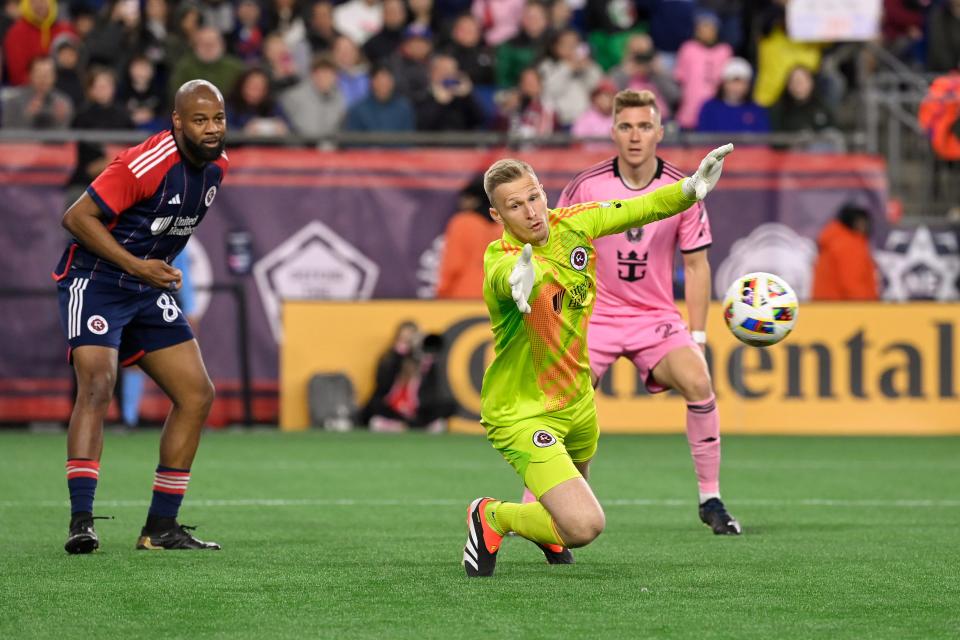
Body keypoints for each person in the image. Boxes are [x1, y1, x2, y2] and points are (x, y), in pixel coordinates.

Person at [463, 141, 734, 577]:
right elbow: (499, 279)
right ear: (497, 216)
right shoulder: (503, 260)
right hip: (523, 412)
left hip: (577, 402)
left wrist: (688, 190)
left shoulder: (574, 223)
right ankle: (492, 515)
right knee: (584, 525)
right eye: (515, 206)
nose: (531, 211)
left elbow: (637, 209)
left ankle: (547, 533)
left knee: (564, 515)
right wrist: (515, 280)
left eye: (534, 196)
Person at [538, 89, 742, 549]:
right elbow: (554, 246)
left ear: (660, 132)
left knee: (699, 381)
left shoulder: (684, 186)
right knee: (560, 406)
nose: (635, 136)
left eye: (644, 126)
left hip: (655, 317)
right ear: (612, 131)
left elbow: (695, 264)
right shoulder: (587, 185)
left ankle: (711, 499)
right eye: (626, 126)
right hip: (597, 316)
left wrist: (696, 334)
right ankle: (538, 505)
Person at [53, 79, 228, 554]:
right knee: (97, 385)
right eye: (199, 120)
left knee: (197, 394)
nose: (211, 129)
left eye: (217, 119)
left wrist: (148, 273)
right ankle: (81, 522)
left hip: (145, 288)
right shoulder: (147, 161)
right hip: (97, 281)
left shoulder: (217, 167)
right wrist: (136, 266)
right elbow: (76, 217)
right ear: (176, 122)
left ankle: (161, 528)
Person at [361, 321, 456, 432]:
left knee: (449, 405)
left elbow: (433, 391)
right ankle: (413, 426)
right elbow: (382, 384)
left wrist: (427, 361)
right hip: (394, 408)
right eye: (404, 338)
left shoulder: (424, 361)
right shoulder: (390, 358)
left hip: (416, 409)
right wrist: (398, 354)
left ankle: (409, 425)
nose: (408, 342)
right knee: (373, 407)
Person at [435, 177, 500, 298]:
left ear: (475, 200)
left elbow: (453, 264)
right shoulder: (506, 226)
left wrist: (442, 291)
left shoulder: (462, 222)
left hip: (465, 295)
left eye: (465, 198)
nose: (461, 203)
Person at [811, 205, 879, 301]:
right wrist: (866, 309)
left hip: (829, 307)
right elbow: (852, 283)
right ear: (856, 222)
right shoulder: (849, 245)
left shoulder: (835, 240)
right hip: (844, 309)